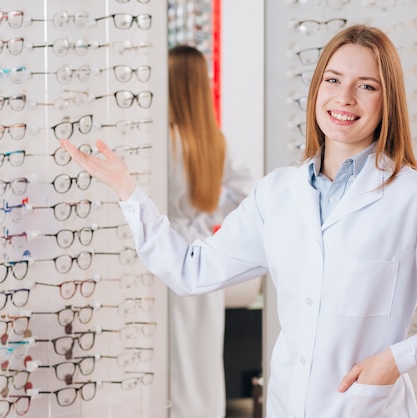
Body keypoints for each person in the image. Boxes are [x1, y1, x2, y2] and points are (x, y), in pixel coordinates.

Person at [60, 25, 417, 418]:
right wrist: (128, 191)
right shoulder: (277, 194)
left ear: (387, 100)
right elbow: (192, 272)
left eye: (366, 85)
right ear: (316, 89)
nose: (344, 97)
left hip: (364, 406)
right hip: (287, 404)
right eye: (333, 80)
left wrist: (397, 359)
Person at [162, 44, 256, 418]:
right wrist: (211, 215)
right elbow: (249, 191)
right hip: (203, 252)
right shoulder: (213, 142)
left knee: (172, 349)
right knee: (202, 350)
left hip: (167, 251)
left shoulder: (164, 141)